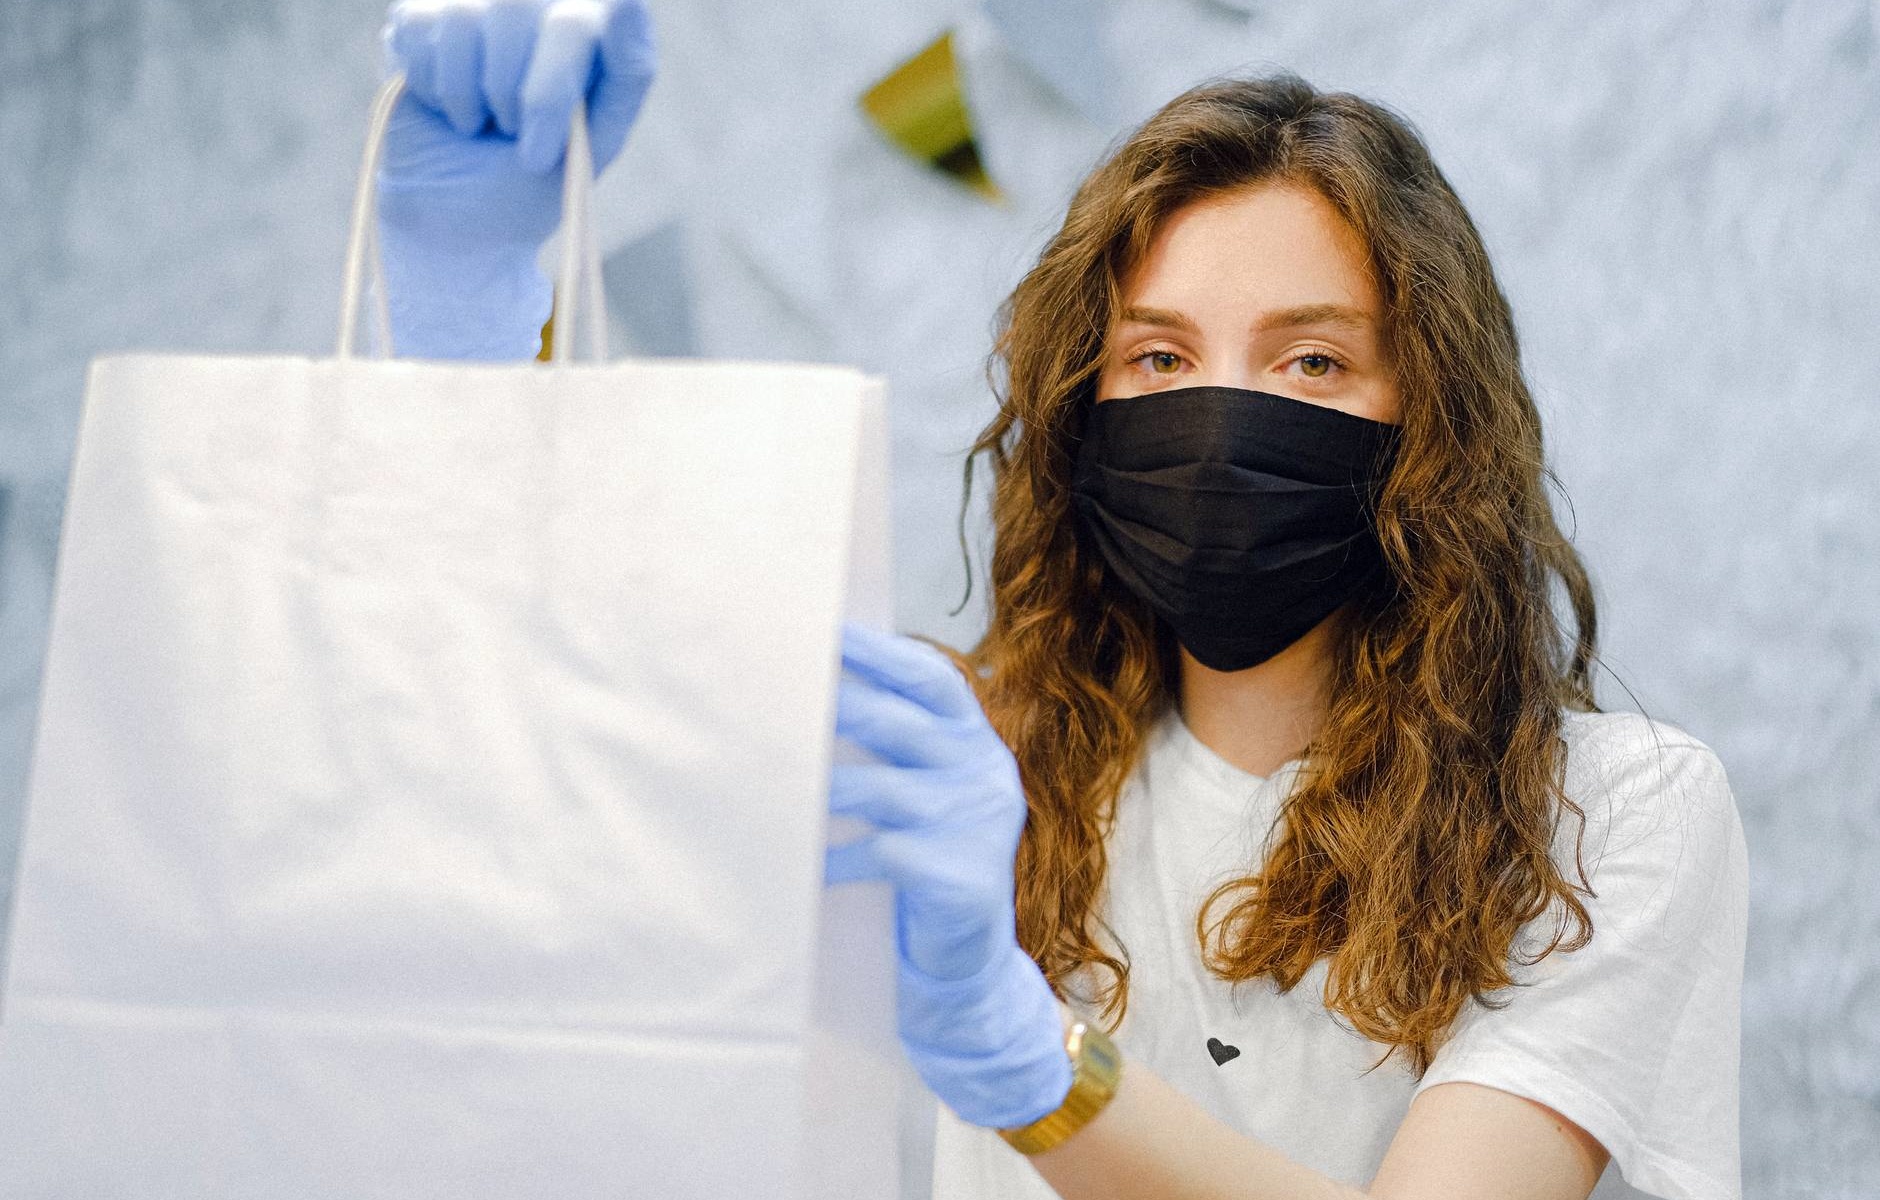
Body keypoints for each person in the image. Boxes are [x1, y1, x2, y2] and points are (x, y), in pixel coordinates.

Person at [377, 4, 1750, 1198]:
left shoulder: (1610, 817)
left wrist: (1024, 1052)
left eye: (1314, 362)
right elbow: (567, 704)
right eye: (1157, 357)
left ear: (1436, 414)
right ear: (1076, 418)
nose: (1222, 418)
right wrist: (468, 327)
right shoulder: (966, 766)